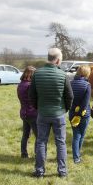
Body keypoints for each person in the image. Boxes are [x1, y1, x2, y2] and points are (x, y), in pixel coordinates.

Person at [29, 48, 74, 178]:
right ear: (58, 60)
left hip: (42, 113)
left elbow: (31, 95)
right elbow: (70, 96)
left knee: (41, 142)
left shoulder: (37, 74)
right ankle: (62, 171)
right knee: (60, 142)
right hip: (58, 114)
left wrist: (38, 107)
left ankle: (39, 171)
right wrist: (65, 109)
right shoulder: (62, 75)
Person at [69, 65, 91, 164]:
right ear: (86, 73)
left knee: (76, 135)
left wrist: (74, 111)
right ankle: (77, 157)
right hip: (84, 114)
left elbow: (68, 99)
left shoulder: (70, 83)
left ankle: (76, 156)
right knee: (81, 135)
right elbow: (86, 103)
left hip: (72, 113)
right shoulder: (87, 85)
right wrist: (80, 113)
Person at [17, 66, 38, 158]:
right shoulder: (30, 86)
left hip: (24, 113)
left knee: (25, 135)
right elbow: (34, 99)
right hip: (32, 113)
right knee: (39, 136)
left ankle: (23, 154)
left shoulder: (20, 84)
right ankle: (38, 155)